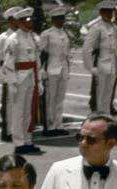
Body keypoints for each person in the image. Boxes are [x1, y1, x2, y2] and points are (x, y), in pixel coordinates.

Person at [1, 8, 44, 155]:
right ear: (18, 22)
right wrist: (11, 83)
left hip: (31, 76)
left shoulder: (33, 37)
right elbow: (8, 63)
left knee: (29, 111)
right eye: (25, 21)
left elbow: (37, 60)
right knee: (18, 112)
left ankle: (28, 140)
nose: (29, 23)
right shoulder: (13, 39)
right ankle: (19, 143)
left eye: (30, 20)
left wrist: (40, 81)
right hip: (19, 78)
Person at [0, 7, 20, 142]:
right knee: (9, 106)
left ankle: (18, 131)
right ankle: (8, 132)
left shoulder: (24, 35)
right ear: (9, 21)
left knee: (20, 106)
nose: (16, 23)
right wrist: (2, 77)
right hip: (9, 75)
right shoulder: (3, 37)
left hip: (23, 75)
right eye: (13, 20)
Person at [40, 7, 72, 137]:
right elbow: (41, 54)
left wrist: (68, 69)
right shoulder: (46, 34)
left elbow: (67, 53)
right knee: (50, 99)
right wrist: (42, 70)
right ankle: (49, 126)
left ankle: (58, 124)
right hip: (51, 69)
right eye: (58, 19)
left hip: (63, 69)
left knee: (60, 99)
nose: (60, 21)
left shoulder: (65, 33)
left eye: (62, 18)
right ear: (53, 20)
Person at [83, 0, 117, 115]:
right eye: (107, 12)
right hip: (101, 65)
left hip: (112, 66)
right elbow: (87, 49)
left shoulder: (114, 28)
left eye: (111, 12)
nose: (110, 14)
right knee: (99, 96)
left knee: (108, 96)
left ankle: (106, 118)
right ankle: (98, 119)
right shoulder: (96, 28)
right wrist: (90, 68)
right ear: (101, 13)